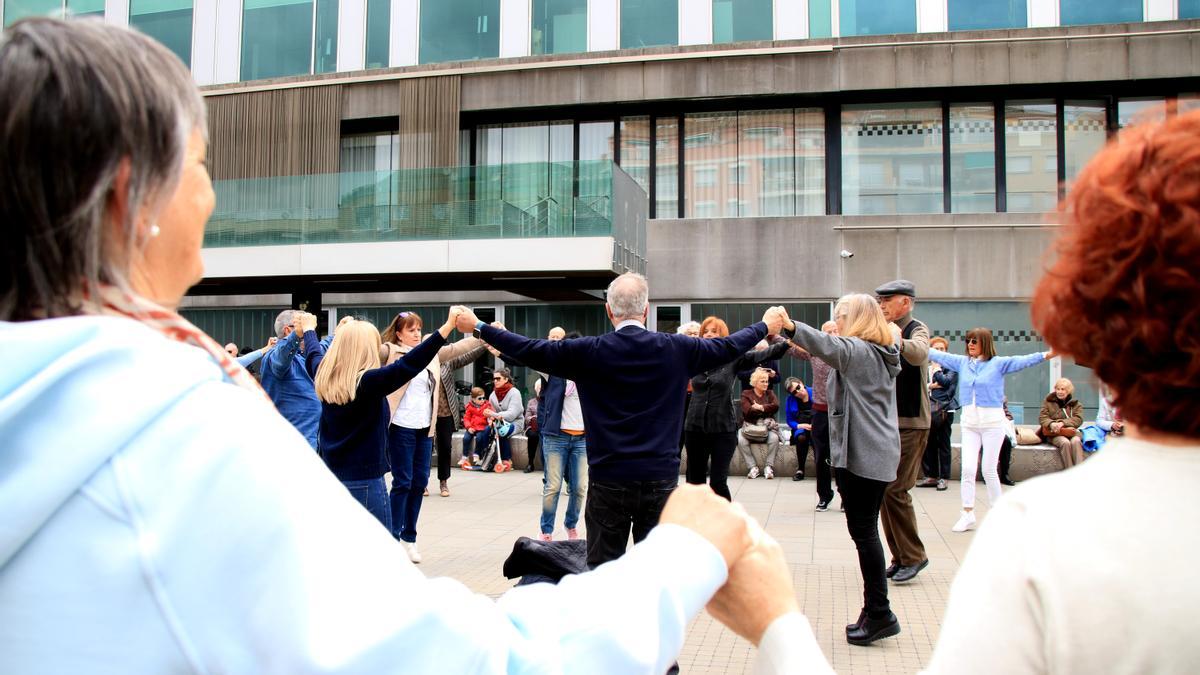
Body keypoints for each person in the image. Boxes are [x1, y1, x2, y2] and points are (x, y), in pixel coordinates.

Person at [0, 19, 833, 673]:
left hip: (605, 474)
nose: (213, 196)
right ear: (125, 197)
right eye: (202, 163)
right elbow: (475, 662)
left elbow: (532, 355)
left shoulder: (82, 414)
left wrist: (467, 329)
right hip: (645, 490)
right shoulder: (178, 448)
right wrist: (688, 555)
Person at [926, 110, 1200, 673]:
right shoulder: (1038, 530)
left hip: (995, 431)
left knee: (991, 474)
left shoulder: (1041, 536)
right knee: (977, 471)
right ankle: (968, 508)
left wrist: (778, 624)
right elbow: (938, 354)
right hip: (973, 423)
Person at [460, 273, 788, 569]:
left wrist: (478, 326)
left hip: (607, 482)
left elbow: (530, 349)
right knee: (655, 575)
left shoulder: (587, 352)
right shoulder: (677, 348)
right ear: (646, 311)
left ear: (608, 311)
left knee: (604, 577)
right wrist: (764, 326)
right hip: (660, 480)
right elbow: (729, 345)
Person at [777, 296, 903, 646]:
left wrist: (790, 327)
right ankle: (874, 610)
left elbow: (827, 345)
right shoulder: (876, 351)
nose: (837, 323)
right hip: (872, 455)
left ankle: (880, 613)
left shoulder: (860, 351)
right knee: (865, 533)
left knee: (864, 534)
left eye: (840, 317)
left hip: (866, 456)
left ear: (857, 319)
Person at [308, 314, 455, 529]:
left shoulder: (324, 375)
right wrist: (447, 327)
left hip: (330, 478)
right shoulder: (368, 382)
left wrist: (311, 330)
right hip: (365, 482)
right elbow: (411, 363)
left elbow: (313, 353)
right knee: (377, 552)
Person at [379, 312, 483, 561]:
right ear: (399, 333)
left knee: (419, 482)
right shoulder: (390, 351)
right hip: (400, 426)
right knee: (402, 482)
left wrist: (485, 334)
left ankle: (409, 538)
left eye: (419, 329)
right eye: (411, 330)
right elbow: (369, 347)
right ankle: (392, 538)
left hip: (425, 428)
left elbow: (458, 348)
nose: (416, 333)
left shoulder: (431, 353)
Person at [926, 328, 1051, 532]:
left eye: (975, 341)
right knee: (967, 469)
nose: (970, 344)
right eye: (968, 341)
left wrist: (1048, 354)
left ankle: (998, 514)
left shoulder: (998, 363)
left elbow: (1025, 360)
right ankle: (967, 513)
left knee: (989, 469)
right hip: (970, 424)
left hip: (993, 424)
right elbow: (935, 353)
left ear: (985, 342)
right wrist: (903, 342)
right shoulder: (962, 363)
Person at [684, 317, 791, 498]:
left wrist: (788, 342)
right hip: (694, 428)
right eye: (706, 331)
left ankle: (726, 523)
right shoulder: (694, 357)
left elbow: (764, 354)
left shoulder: (732, 357)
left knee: (718, 483)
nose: (709, 334)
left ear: (724, 336)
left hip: (722, 429)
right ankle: (698, 523)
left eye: (714, 331)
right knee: (695, 483)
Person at [874, 280, 931, 585]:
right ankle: (899, 557)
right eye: (879, 301)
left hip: (911, 422)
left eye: (887, 300)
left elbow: (920, 354)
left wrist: (899, 340)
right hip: (888, 421)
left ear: (906, 303)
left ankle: (914, 556)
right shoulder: (882, 329)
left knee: (896, 488)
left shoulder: (916, 328)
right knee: (885, 489)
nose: (881, 305)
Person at [535, 333, 588, 541]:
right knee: (553, 486)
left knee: (580, 487)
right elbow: (526, 355)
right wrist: (499, 342)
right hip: (556, 437)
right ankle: (546, 530)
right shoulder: (553, 371)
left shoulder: (587, 372)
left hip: (582, 439)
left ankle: (571, 524)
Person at [790, 321, 840, 511]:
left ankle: (846, 494)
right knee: (821, 455)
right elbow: (794, 348)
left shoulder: (848, 352)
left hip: (842, 412)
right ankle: (824, 496)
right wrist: (773, 335)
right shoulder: (815, 351)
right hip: (820, 410)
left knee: (844, 456)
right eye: (828, 332)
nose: (833, 334)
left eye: (836, 331)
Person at [260, 308, 326, 448]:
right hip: (290, 449)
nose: (311, 333)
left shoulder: (303, 357)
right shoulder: (273, 357)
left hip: (313, 444)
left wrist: (338, 332)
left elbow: (321, 347)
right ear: (288, 330)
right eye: (306, 329)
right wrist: (297, 334)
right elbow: (281, 357)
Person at [917, 336, 957, 491]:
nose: (939, 351)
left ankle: (944, 477)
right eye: (936, 349)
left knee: (943, 443)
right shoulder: (924, 367)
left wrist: (937, 369)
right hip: (928, 410)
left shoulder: (952, 367)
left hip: (945, 411)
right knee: (929, 443)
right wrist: (932, 386)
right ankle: (931, 476)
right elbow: (920, 387)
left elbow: (947, 386)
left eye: (942, 349)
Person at [737, 368, 783, 479]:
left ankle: (768, 467)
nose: (766, 384)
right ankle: (753, 467)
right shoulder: (746, 394)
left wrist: (761, 407)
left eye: (767, 381)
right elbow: (747, 410)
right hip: (750, 426)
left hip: (767, 427)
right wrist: (767, 409)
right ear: (755, 382)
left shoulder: (770, 393)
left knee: (774, 439)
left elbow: (776, 406)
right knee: (741, 439)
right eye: (762, 381)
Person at [1039, 377, 1086, 470]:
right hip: (1054, 433)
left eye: (1063, 389)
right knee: (1065, 442)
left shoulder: (1076, 404)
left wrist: (1062, 423)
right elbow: (1042, 418)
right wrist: (1051, 424)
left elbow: (1078, 419)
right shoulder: (1048, 402)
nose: (1060, 391)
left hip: (1071, 431)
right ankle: (1070, 471)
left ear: (1068, 391)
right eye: (1058, 389)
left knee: (1076, 441)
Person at [486, 367, 524, 473]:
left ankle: (506, 459)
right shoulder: (493, 395)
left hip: (515, 423)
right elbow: (490, 411)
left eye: (498, 379)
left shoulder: (514, 392)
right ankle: (482, 458)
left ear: (506, 379)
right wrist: (490, 418)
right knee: (485, 431)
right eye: (494, 379)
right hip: (498, 422)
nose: (495, 381)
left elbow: (512, 415)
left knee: (502, 430)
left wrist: (494, 415)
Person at [783, 377, 813, 481]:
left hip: (817, 426)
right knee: (800, 438)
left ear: (802, 383)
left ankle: (822, 469)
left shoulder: (815, 393)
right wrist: (799, 426)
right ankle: (800, 469)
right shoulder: (790, 400)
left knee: (818, 438)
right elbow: (789, 420)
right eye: (795, 392)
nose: (798, 392)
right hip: (801, 426)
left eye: (798, 387)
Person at [459, 386, 493, 466]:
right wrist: (468, 427)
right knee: (466, 439)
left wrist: (491, 419)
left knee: (479, 438)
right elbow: (466, 418)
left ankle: (477, 455)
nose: (482, 400)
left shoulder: (487, 406)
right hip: (472, 427)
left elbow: (491, 414)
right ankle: (464, 456)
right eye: (479, 398)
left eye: (483, 398)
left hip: (482, 427)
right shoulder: (470, 407)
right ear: (473, 399)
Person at [522, 377, 543, 473]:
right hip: (533, 427)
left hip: (545, 427)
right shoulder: (531, 402)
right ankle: (530, 463)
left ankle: (547, 465)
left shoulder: (550, 401)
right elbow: (526, 418)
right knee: (533, 436)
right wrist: (534, 418)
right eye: (538, 388)